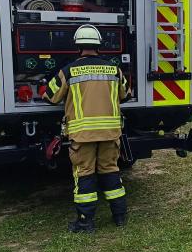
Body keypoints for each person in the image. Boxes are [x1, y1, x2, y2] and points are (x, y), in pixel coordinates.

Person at [45, 24, 129, 233]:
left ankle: (85, 222)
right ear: (99, 45)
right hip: (110, 133)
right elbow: (125, 93)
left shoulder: (69, 71)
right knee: (111, 170)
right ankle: (120, 216)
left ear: (78, 46)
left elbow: (50, 96)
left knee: (85, 174)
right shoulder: (114, 70)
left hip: (83, 135)